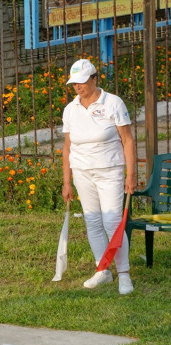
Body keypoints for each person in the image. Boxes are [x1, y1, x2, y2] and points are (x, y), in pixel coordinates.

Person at [61, 59, 137, 295]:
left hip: (110, 171)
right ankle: (103, 270)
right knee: (92, 221)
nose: (78, 87)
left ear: (94, 79)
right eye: (74, 83)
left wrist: (131, 174)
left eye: (82, 82)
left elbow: (128, 140)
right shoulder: (70, 109)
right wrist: (67, 181)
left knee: (112, 222)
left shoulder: (113, 103)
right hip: (82, 173)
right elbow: (67, 147)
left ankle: (124, 274)